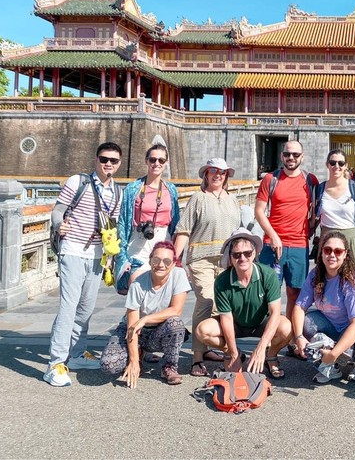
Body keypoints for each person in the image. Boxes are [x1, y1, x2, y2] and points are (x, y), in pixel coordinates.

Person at [44, 142, 123, 387]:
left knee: (86, 309)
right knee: (68, 307)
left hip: (97, 255)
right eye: (104, 159)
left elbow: (114, 223)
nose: (108, 163)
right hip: (73, 250)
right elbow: (58, 211)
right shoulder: (77, 182)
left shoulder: (118, 192)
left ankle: (77, 354)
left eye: (113, 160)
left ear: (119, 164)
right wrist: (59, 224)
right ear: (95, 159)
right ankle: (55, 363)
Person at [174, 157, 242, 377]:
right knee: (208, 300)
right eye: (213, 171)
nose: (218, 175)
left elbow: (237, 232)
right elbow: (184, 229)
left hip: (226, 260)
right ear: (206, 174)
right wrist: (175, 259)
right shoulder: (198, 198)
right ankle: (206, 356)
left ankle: (203, 351)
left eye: (222, 172)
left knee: (215, 305)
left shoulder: (233, 200)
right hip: (201, 259)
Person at [194, 228, 292, 379]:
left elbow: (275, 313)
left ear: (254, 254)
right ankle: (233, 353)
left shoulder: (268, 274)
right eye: (237, 254)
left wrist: (261, 348)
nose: (242, 258)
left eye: (247, 253)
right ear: (230, 257)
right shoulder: (222, 281)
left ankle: (270, 356)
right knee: (202, 330)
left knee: (286, 327)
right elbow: (226, 319)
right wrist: (233, 353)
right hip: (235, 323)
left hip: (261, 322)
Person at [292, 230, 355, 383]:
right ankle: (332, 367)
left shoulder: (353, 280)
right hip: (335, 323)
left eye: (338, 251)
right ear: (321, 252)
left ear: (345, 254)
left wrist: (334, 353)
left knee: (348, 348)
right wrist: (299, 338)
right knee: (305, 323)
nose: (332, 255)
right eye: (327, 250)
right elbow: (299, 307)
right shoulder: (315, 274)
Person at [100, 241, 191, 387]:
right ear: (149, 261)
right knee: (109, 366)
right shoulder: (137, 284)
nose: (161, 265)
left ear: (173, 264)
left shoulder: (179, 275)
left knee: (176, 323)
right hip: (135, 331)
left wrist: (146, 318)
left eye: (167, 261)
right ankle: (138, 353)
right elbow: (132, 327)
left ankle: (169, 366)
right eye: (156, 260)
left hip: (160, 331)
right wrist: (134, 362)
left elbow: (176, 310)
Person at [255, 141, 319, 324]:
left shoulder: (310, 180)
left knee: (295, 293)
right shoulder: (270, 179)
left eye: (296, 155)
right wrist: (273, 235)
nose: (291, 158)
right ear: (282, 156)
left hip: (299, 245)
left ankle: (291, 336)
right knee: (269, 292)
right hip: (272, 245)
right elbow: (259, 211)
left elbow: (316, 210)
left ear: (302, 157)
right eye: (287, 154)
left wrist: (312, 228)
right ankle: (270, 335)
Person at [115, 144, 180, 293]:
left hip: (163, 239)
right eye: (153, 159)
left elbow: (176, 222)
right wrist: (122, 254)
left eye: (161, 160)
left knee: (160, 290)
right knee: (137, 288)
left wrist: (177, 253)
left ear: (166, 163)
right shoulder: (133, 188)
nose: (156, 163)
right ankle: (133, 317)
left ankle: (153, 317)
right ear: (146, 161)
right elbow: (123, 222)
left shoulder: (171, 190)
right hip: (139, 242)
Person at [316, 149, 355, 269]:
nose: (336, 166)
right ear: (327, 164)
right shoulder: (319, 189)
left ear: (346, 166)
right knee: (327, 282)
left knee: (351, 281)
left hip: (351, 239)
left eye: (341, 163)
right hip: (327, 239)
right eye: (332, 162)